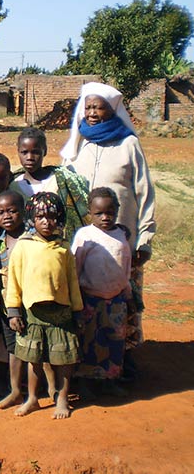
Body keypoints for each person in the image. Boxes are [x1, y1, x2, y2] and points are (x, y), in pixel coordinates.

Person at [61, 81, 156, 380]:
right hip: (85, 241)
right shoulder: (80, 143)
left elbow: (145, 192)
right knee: (86, 298)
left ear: (112, 110)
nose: (91, 113)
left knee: (124, 297)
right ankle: (86, 358)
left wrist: (144, 238)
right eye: (88, 107)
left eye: (98, 107)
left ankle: (124, 355)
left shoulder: (128, 144)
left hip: (121, 241)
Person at [5, 192, 83, 420]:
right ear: (31, 219)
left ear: (59, 219)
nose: (46, 222)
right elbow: (14, 281)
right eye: (40, 217)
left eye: (51, 217)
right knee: (34, 359)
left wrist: (77, 310)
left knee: (63, 358)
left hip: (61, 312)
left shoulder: (63, 248)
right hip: (33, 313)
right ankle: (32, 398)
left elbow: (72, 281)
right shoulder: (24, 246)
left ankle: (62, 398)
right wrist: (13, 311)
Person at [72, 187, 133, 398]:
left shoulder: (121, 235)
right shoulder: (85, 235)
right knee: (89, 341)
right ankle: (85, 382)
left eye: (110, 212)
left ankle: (110, 380)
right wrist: (76, 298)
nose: (105, 217)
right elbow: (75, 267)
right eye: (99, 213)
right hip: (90, 298)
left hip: (116, 299)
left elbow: (126, 267)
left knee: (114, 341)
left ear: (117, 210)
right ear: (89, 212)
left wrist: (128, 294)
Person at [10, 126, 90, 243]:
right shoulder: (13, 185)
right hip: (24, 246)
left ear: (45, 151)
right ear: (18, 152)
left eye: (36, 152)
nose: (30, 157)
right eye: (24, 152)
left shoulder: (60, 181)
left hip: (57, 245)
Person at [0, 190, 27, 409]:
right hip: (6, 302)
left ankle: (40, 387)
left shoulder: (32, 239)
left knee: (33, 344)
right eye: (1, 212)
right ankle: (15, 390)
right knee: (12, 346)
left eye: (12, 211)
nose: (7, 216)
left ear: (23, 211)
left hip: (30, 301)